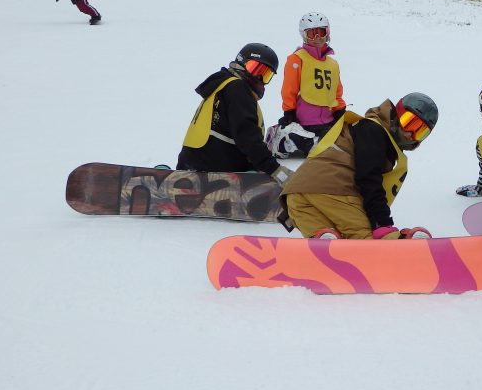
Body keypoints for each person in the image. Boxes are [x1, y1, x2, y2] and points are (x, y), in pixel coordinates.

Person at [279, 92, 437, 239]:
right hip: (331, 189)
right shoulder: (373, 130)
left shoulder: (365, 130)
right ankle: (409, 245)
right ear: (396, 113)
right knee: (366, 242)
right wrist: (381, 223)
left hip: (295, 196)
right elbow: (368, 177)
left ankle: (325, 246)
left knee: (334, 248)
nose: (410, 133)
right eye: (409, 121)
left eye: (420, 131)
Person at [176, 43, 291, 189]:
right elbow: (247, 135)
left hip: (195, 162)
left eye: (265, 74)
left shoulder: (223, 84)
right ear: (241, 63)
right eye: (255, 68)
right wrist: (273, 168)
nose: (258, 77)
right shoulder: (238, 88)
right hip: (215, 169)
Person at [265, 12, 346, 159]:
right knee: (317, 151)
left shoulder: (332, 64)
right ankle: (281, 138)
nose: (317, 38)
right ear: (304, 35)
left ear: (327, 33)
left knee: (341, 147)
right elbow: (289, 88)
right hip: (303, 122)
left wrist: (339, 110)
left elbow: (336, 91)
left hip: (327, 121)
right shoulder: (297, 59)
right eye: (312, 34)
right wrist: (289, 112)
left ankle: (303, 140)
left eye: (321, 32)